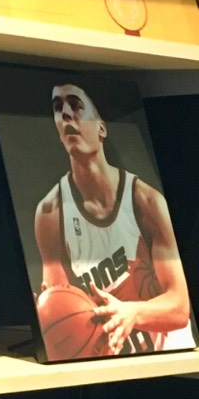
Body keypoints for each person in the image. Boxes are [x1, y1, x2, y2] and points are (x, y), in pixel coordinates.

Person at [34, 80, 195, 355]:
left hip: (170, 354)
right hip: (116, 360)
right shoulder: (49, 213)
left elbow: (179, 307)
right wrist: (47, 313)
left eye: (76, 105)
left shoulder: (146, 201)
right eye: (58, 107)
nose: (66, 114)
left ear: (102, 128)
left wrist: (131, 312)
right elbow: (59, 308)